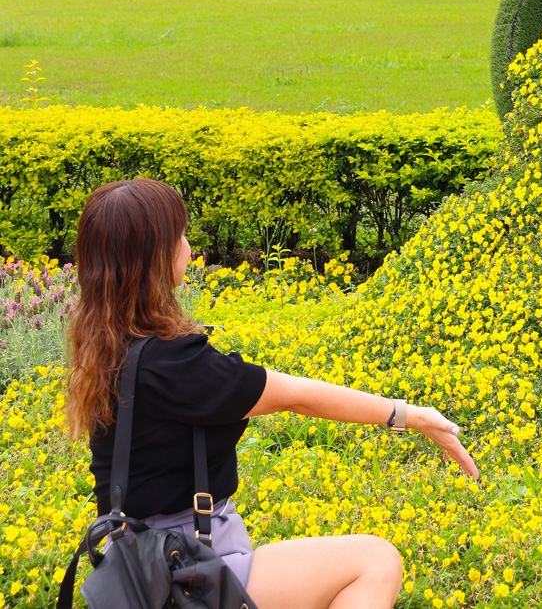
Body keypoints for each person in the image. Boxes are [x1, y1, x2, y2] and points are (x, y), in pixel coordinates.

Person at [66, 177, 478, 609]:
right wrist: (409, 415)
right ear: (153, 257)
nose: (190, 248)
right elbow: (296, 395)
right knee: (375, 561)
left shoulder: (106, 347)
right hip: (184, 571)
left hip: (131, 567)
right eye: (180, 235)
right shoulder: (175, 365)